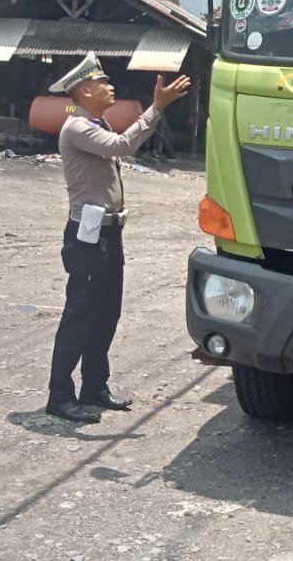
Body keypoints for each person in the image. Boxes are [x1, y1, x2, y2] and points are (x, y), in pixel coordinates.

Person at [43, 53, 192, 424]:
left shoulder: (96, 120)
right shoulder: (78, 127)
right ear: (85, 90)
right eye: (104, 83)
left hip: (108, 233)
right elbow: (123, 145)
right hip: (88, 237)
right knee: (80, 314)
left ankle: (95, 387)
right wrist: (156, 107)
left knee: (106, 313)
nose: (112, 88)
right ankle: (60, 396)